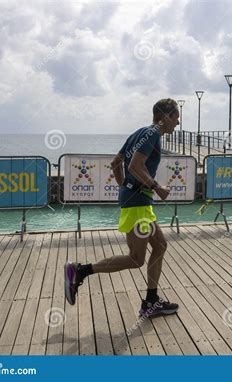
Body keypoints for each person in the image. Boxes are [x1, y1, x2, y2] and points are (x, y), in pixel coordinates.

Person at [64, 98, 180, 317]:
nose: (177, 123)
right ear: (165, 117)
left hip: (138, 202)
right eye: (176, 118)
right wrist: (156, 186)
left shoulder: (139, 132)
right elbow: (135, 165)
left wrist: (125, 187)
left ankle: (151, 301)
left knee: (161, 246)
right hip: (138, 204)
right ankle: (80, 271)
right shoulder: (153, 134)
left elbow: (116, 163)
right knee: (136, 258)